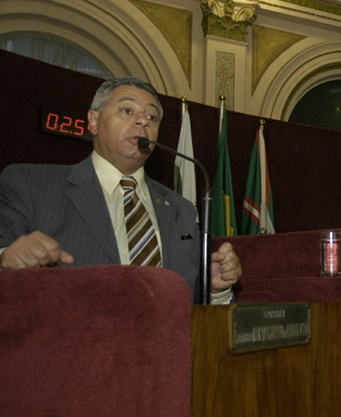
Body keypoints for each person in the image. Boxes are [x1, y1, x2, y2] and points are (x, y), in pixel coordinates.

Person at [0, 76, 241, 303]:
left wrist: (214, 288)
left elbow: (191, 300)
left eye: (152, 117)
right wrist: (5, 258)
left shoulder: (182, 209)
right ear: (94, 121)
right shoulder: (30, 184)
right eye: (127, 110)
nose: (143, 121)